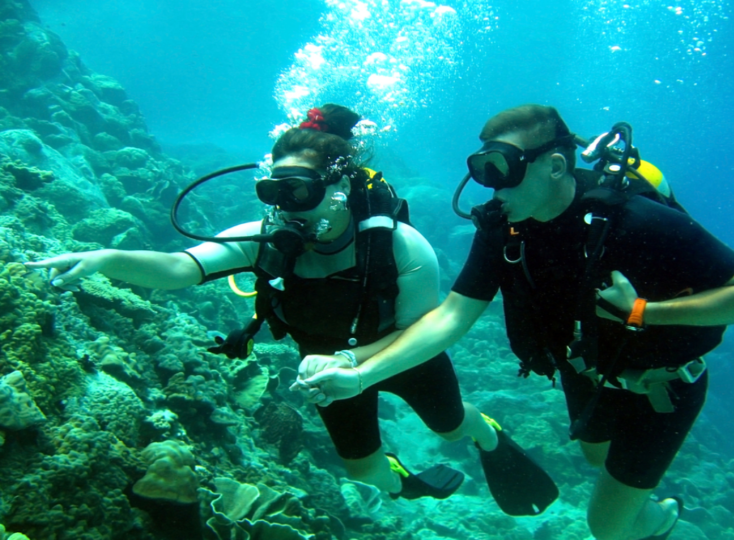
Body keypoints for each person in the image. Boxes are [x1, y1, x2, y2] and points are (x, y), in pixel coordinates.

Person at [26, 104, 558, 514]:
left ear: (339, 186)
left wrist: (353, 365)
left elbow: (424, 329)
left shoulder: (400, 245)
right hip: (324, 368)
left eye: (298, 191)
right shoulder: (265, 237)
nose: (284, 208)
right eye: (272, 191)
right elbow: (177, 269)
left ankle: (487, 432)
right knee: (365, 472)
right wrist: (105, 258)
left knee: (451, 428)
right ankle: (403, 482)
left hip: (404, 355)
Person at [295, 104, 734, 539]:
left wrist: (643, 312)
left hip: (663, 386)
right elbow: (452, 318)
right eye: (485, 170)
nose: (494, 187)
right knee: (595, 455)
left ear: (555, 165)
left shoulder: (635, 220)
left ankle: (659, 519)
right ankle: (633, 493)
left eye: (505, 170)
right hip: (588, 371)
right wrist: (358, 371)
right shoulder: (503, 228)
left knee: (608, 528)